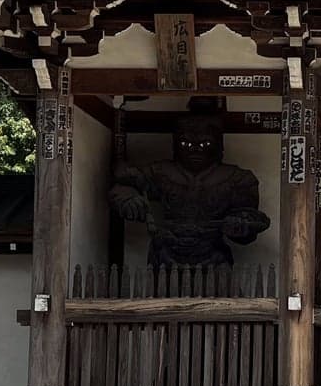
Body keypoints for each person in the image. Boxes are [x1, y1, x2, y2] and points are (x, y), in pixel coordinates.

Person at [109, 102, 269, 267]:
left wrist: (241, 225)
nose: (195, 150)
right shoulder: (161, 172)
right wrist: (128, 199)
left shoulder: (236, 179)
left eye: (204, 144)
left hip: (212, 257)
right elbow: (123, 182)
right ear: (175, 145)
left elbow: (249, 221)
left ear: (219, 145)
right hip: (165, 254)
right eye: (186, 144)